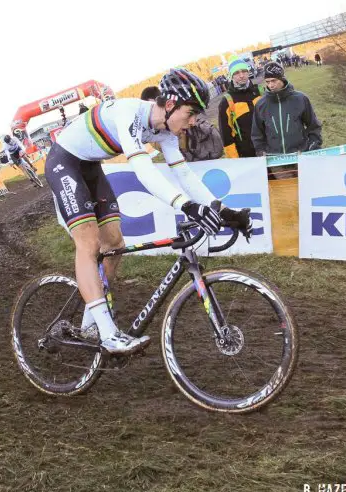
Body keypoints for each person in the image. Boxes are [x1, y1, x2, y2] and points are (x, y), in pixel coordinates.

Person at [44, 68, 252, 355]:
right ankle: (107, 333)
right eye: (190, 113)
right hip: (64, 161)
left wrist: (225, 211)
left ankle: (90, 326)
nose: (192, 122)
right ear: (169, 105)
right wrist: (186, 206)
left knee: (114, 244)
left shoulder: (166, 131)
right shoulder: (129, 113)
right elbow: (143, 170)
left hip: (90, 168)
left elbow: (185, 175)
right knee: (89, 243)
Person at [251, 62, 322, 156]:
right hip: (275, 159)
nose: (271, 85)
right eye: (267, 82)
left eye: (274, 81)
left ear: (282, 79)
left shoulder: (301, 98)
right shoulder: (260, 104)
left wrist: (312, 146)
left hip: (300, 156)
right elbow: (257, 133)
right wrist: (260, 151)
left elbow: (314, 126)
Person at [218, 55, 263, 158]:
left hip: (268, 150)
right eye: (237, 73)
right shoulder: (227, 101)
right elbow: (226, 136)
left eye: (244, 71)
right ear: (231, 76)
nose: (241, 75)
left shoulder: (259, 91)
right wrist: (236, 161)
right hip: (247, 156)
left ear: (248, 72)